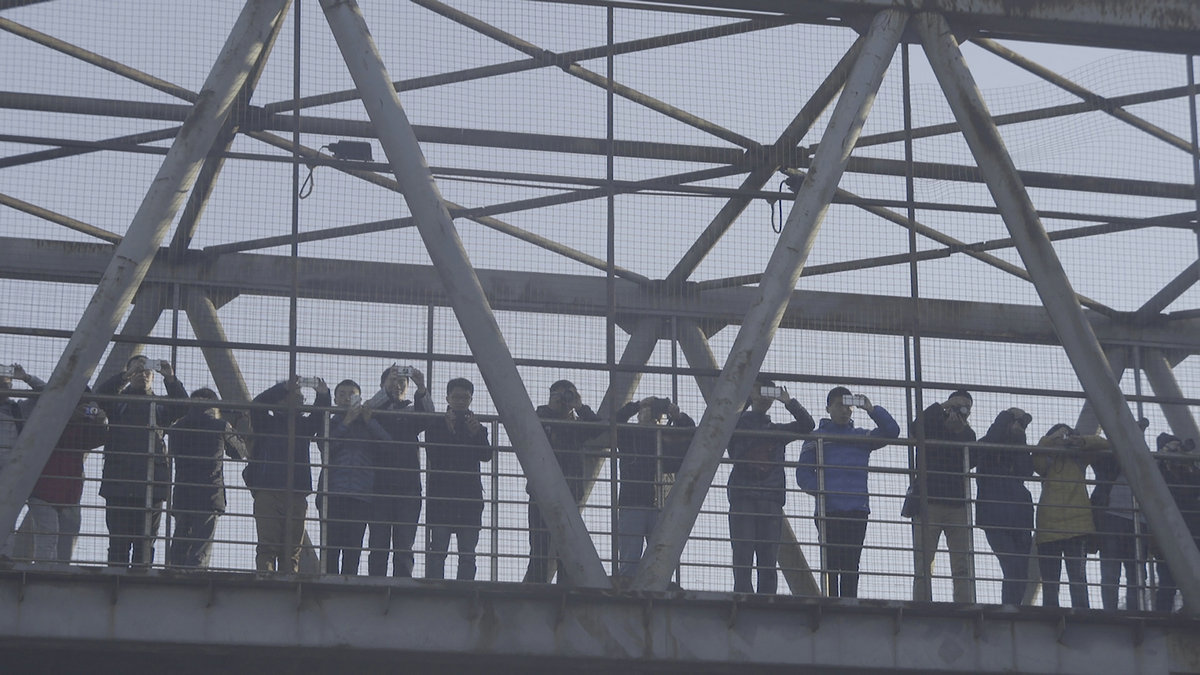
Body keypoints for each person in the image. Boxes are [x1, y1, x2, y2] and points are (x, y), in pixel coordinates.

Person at [796, 387, 899, 598]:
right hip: (828, 509)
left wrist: (871, 409)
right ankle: (831, 602)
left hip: (856, 509)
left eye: (848, 406)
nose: (844, 410)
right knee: (831, 562)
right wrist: (823, 491)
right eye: (839, 405)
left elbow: (892, 431)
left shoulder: (861, 437)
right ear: (828, 408)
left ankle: (848, 603)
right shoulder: (816, 437)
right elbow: (803, 474)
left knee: (851, 563)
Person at [96, 355, 187, 567]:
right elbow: (100, 396)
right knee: (118, 542)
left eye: (147, 371)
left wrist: (170, 378)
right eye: (137, 371)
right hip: (120, 483)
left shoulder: (161, 405)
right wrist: (124, 376)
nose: (143, 375)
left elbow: (183, 407)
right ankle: (115, 581)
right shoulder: (118, 402)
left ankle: (140, 579)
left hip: (150, 483)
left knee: (145, 543)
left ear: (153, 376)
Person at [727, 378, 815, 594]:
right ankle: (744, 596)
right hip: (745, 496)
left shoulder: (776, 430)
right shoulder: (737, 425)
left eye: (769, 392)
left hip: (768, 498)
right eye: (760, 390)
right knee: (744, 552)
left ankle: (765, 598)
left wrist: (788, 401)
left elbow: (807, 425)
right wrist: (749, 399)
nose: (765, 396)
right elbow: (722, 425)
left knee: (767, 556)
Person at [244, 376, 330, 573]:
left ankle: (287, 581)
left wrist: (323, 395)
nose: (298, 399)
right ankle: (266, 578)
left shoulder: (303, 426)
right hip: (269, 490)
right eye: (293, 395)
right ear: (281, 399)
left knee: (292, 549)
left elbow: (319, 417)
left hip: (296, 491)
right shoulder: (266, 422)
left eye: (299, 396)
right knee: (268, 545)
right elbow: (257, 405)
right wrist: (282, 387)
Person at [13, 391, 107, 564]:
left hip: (65, 492)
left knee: (59, 541)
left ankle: (50, 572)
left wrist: (100, 422)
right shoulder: (49, 419)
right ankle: (45, 573)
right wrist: (72, 416)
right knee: (48, 538)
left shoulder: (78, 428)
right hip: (46, 490)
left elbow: (97, 439)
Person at [526, 379, 604, 584]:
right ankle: (536, 585)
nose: (563, 400)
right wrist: (551, 410)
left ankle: (565, 585)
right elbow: (528, 433)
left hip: (570, 489)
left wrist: (580, 406)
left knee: (568, 543)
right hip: (541, 490)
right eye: (559, 395)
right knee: (539, 544)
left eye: (568, 395)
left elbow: (598, 429)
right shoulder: (541, 416)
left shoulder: (577, 424)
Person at [612, 395, 694, 580]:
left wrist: (678, 416)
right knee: (631, 560)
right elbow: (615, 421)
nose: (649, 413)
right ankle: (630, 586)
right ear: (638, 415)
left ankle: (655, 586)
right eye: (645, 410)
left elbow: (691, 434)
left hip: (659, 505)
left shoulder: (665, 435)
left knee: (660, 559)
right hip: (634, 503)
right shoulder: (629, 434)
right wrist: (637, 405)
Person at [364, 364, 432, 577]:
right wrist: (385, 391)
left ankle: (403, 583)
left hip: (408, 485)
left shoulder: (411, 410)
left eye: (402, 382)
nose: (397, 385)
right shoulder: (375, 410)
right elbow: (367, 409)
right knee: (378, 542)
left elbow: (428, 418)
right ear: (382, 385)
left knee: (404, 543)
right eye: (392, 381)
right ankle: (375, 583)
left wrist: (422, 387)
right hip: (379, 485)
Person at [910, 389, 977, 603]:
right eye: (959, 405)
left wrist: (960, 429)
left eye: (966, 408)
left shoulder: (967, 433)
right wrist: (943, 407)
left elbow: (972, 458)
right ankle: (922, 605)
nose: (962, 410)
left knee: (962, 563)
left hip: (957, 504)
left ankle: (964, 604)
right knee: (924, 561)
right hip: (928, 502)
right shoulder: (932, 424)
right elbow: (915, 427)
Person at [167, 388, 246, 568]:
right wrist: (234, 427)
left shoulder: (177, 428)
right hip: (210, 493)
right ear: (214, 405)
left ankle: (174, 574)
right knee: (201, 547)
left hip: (183, 493)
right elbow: (240, 452)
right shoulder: (220, 426)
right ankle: (195, 577)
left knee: (180, 542)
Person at [424, 377, 491, 580]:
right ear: (448, 398)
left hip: (469, 497)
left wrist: (476, 434)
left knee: (467, 553)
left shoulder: (478, 427)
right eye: (456, 397)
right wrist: (450, 431)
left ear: (470, 399)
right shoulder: (436, 424)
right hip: (442, 496)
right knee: (438, 550)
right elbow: (434, 455)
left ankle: (465, 589)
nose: (460, 401)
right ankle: (434, 589)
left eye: (465, 397)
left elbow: (486, 455)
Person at [1034, 423, 1107, 608]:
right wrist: (1052, 441)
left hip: (1060, 527)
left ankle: (1071, 614)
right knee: (1056, 581)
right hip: (1063, 527)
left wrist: (1080, 441)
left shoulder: (1079, 456)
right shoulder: (1047, 458)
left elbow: (1103, 443)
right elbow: (1036, 461)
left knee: (1075, 579)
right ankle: (1064, 615)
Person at [321, 380, 389, 575]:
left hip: (361, 494)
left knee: (353, 547)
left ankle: (348, 583)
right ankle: (329, 584)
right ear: (335, 399)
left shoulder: (368, 423)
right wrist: (346, 422)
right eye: (341, 394)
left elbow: (387, 445)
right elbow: (325, 448)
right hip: (333, 492)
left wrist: (369, 421)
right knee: (330, 546)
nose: (346, 398)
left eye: (351, 394)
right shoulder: (331, 421)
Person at [972, 407, 1034, 606]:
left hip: (1020, 517)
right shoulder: (987, 444)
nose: (1019, 426)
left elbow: (1026, 471)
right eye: (1015, 422)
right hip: (995, 517)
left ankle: (1014, 608)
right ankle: (1009, 609)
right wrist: (1006, 417)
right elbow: (990, 442)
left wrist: (1020, 438)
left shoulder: (1019, 448)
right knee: (1012, 565)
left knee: (1021, 571)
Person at [1091, 418, 1150, 611]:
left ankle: (1135, 609)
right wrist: (1128, 439)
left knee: (1136, 572)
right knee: (1111, 570)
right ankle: (1110, 610)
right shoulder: (1108, 453)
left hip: (1138, 520)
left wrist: (1136, 439)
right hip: (1112, 517)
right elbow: (1111, 462)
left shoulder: (1142, 456)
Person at [1150, 433, 1200, 613]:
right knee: (1167, 579)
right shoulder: (1157, 470)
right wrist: (1164, 458)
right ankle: (1162, 615)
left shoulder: (1189, 471)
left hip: (1193, 530)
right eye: (1173, 447)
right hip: (1167, 532)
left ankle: (1191, 609)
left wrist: (1189, 463)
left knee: (1194, 574)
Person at [0, 363, 45, 559]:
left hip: (10, 470)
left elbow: (49, 394)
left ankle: (4, 556)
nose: (4, 386)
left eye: (6, 382)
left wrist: (26, 377)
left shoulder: (18, 409)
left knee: (7, 512)